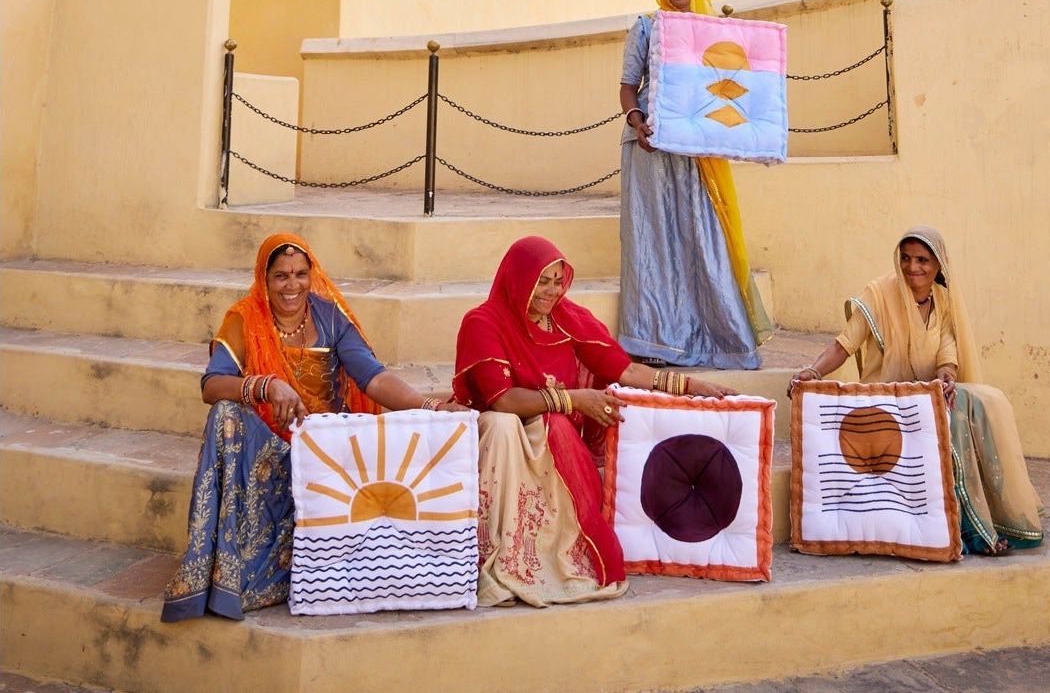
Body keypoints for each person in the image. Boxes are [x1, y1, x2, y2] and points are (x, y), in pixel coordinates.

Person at [162, 232, 456, 621]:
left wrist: (430, 406)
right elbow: (211, 386)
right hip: (267, 451)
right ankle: (216, 572)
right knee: (225, 417)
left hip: (322, 455)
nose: (292, 285)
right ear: (264, 280)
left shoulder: (329, 317)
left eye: (301, 274)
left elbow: (374, 379)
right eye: (281, 275)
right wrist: (265, 385)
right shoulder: (244, 319)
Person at [453, 235, 735, 607]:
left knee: (552, 426)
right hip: (500, 436)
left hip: (552, 438)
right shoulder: (484, 322)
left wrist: (689, 385)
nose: (551, 292)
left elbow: (626, 370)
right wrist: (573, 400)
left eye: (558, 281)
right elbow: (501, 400)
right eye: (542, 281)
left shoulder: (569, 320)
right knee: (504, 426)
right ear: (518, 278)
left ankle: (545, 563)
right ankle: (501, 563)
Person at [788, 226, 1043, 556]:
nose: (913, 267)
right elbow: (844, 345)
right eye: (906, 258)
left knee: (980, 402)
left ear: (938, 265)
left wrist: (946, 378)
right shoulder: (879, 293)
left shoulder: (943, 300)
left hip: (925, 398)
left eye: (922, 260)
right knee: (956, 412)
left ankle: (979, 519)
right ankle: (971, 532)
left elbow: (947, 355)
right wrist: (813, 371)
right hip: (885, 401)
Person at [618, 0, 771, 369]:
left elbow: (727, 87)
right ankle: (656, 339)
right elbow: (629, 86)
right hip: (650, 143)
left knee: (702, 232)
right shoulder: (647, 27)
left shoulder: (711, 34)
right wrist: (637, 121)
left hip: (696, 148)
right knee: (655, 238)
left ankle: (720, 335)